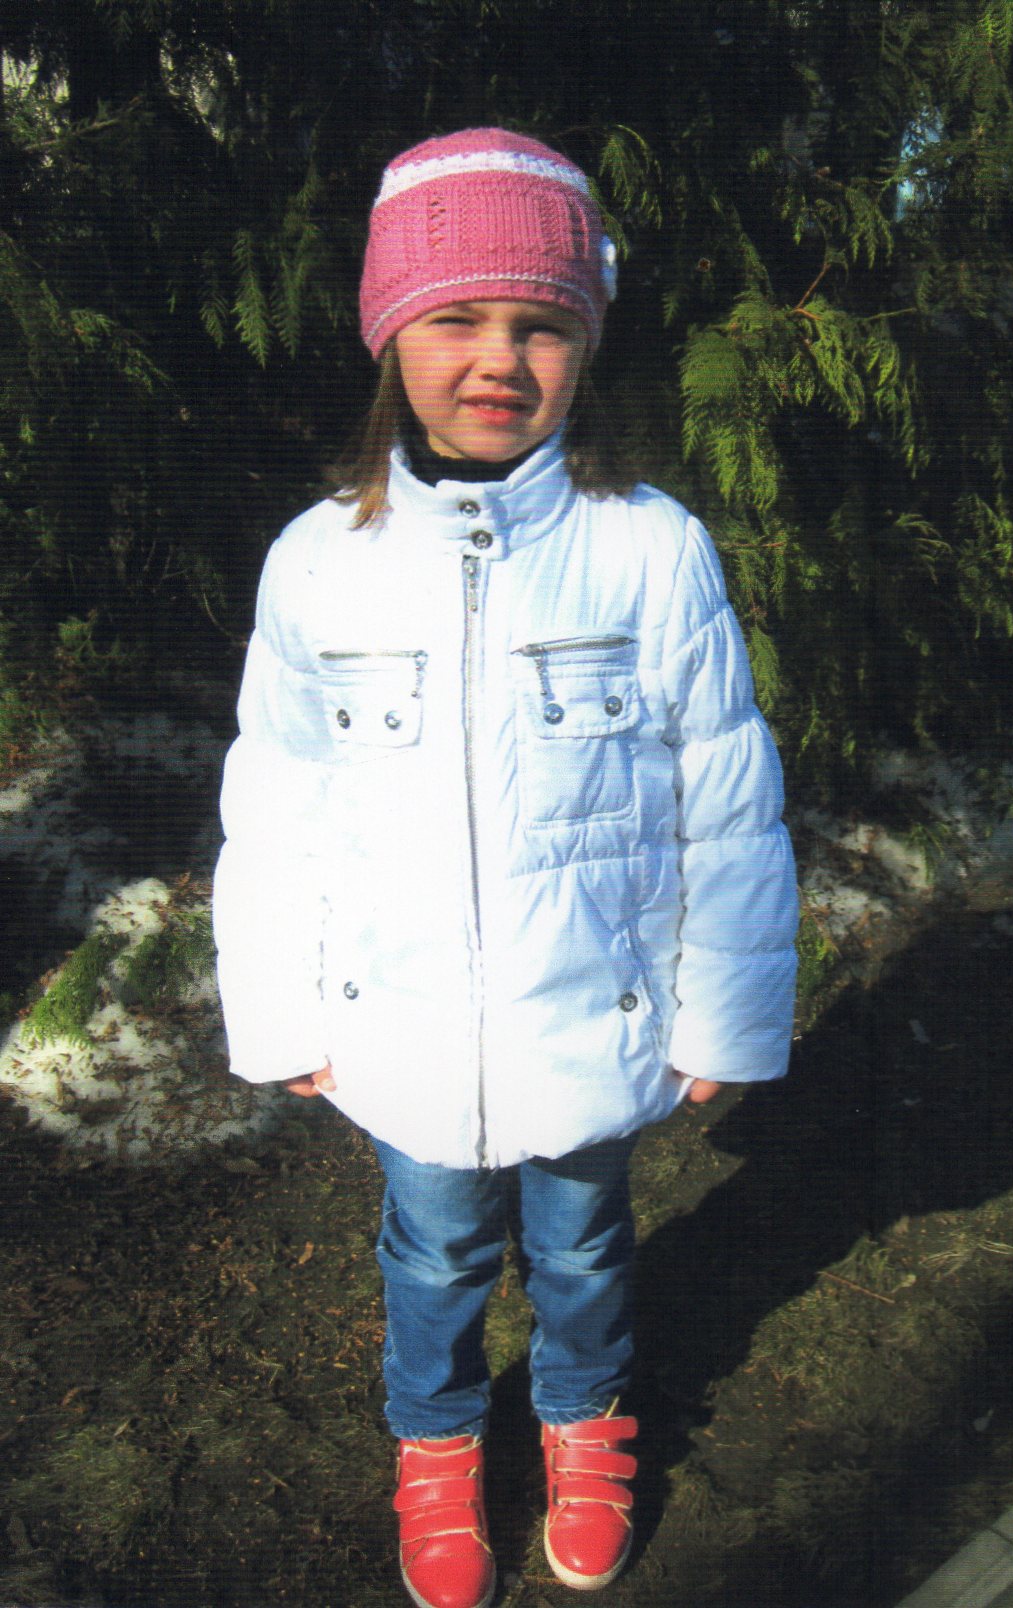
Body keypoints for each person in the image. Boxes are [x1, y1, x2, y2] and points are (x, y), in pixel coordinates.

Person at [213, 127, 798, 1608]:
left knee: (586, 1246)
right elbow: (277, 802)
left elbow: (726, 800)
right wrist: (281, 1007)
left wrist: (723, 1014)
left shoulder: (649, 550)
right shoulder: (317, 563)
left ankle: (586, 1421)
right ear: (388, 337)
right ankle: (436, 1442)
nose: (498, 358)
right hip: (404, 1028)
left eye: (540, 324)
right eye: (456, 319)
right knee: (430, 1255)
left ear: (585, 346)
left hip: (588, 1017)